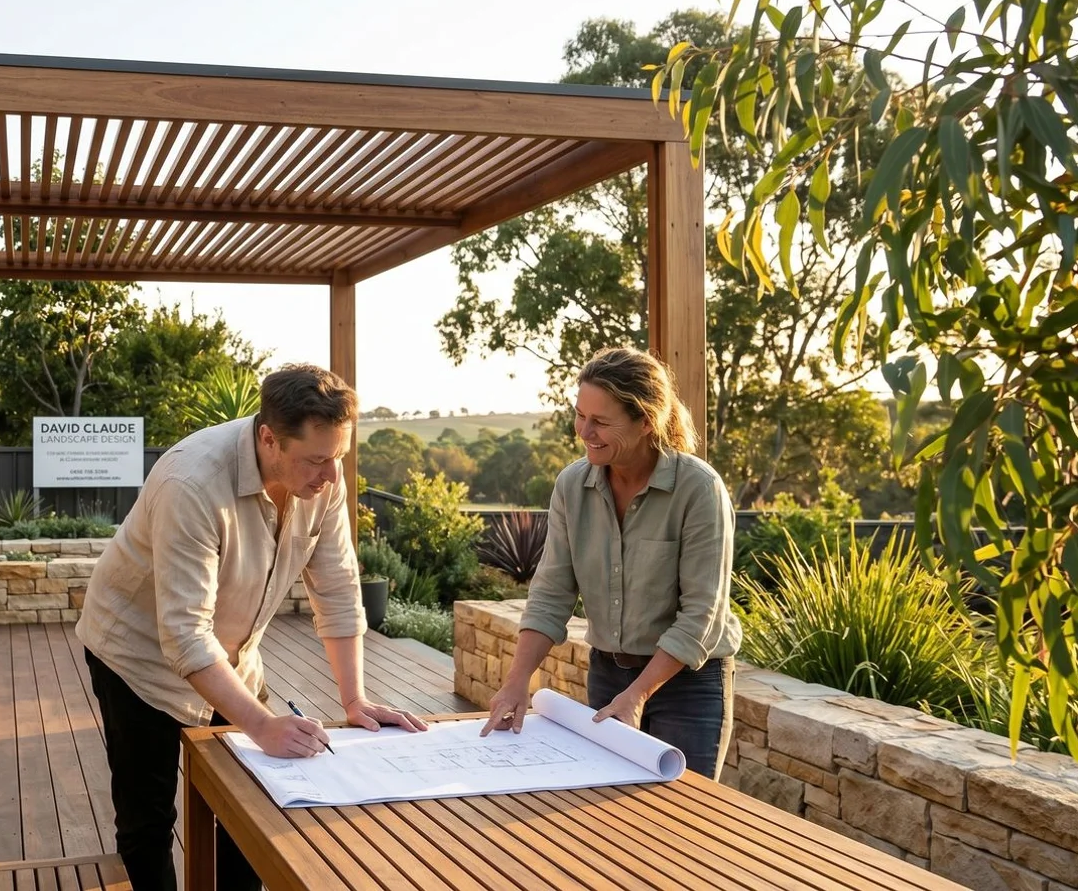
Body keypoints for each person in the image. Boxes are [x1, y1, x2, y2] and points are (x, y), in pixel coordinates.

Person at [76, 363, 428, 891]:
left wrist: (354, 700)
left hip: (232, 655)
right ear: (268, 438)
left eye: (338, 457)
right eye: (317, 460)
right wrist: (261, 725)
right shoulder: (191, 483)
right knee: (148, 817)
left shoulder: (322, 477)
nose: (332, 477)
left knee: (250, 802)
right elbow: (185, 635)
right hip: (136, 655)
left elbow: (336, 588)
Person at [480, 347, 741, 779]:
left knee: (681, 813)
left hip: (690, 686)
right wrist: (516, 681)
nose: (585, 432)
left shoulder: (699, 489)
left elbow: (701, 614)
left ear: (645, 421)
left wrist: (638, 694)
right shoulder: (571, 486)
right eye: (580, 415)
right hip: (607, 674)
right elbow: (551, 594)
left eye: (600, 421)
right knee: (608, 807)